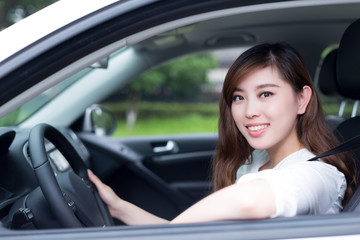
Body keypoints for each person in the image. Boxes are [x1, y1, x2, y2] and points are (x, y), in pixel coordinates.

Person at [88, 42, 358, 225]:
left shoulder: (319, 176)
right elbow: (190, 233)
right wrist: (119, 208)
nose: (249, 110)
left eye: (266, 94)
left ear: (302, 100)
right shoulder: (255, 161)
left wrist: (168, 235)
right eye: (238, 97)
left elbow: (250, 200)